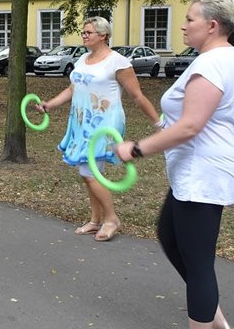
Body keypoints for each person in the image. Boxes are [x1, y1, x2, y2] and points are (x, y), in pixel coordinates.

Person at [113, 0, 234, 329]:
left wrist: (135, 149)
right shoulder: (228, 61)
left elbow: (190, 126)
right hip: (204, 171)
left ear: (213, 25)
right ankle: (210, 313)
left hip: (203, 172)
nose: (184, 25)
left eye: (190, 19)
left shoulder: (211, 66)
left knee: (198, 260)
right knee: (170, 235)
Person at [35, 17, 159, 241]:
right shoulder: (83, 59)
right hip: (82, 121)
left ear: (103, 35)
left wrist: (158, 122)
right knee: (89, 173)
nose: (84, 35)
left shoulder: (118, 62)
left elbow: (137, 96)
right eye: (83, 32)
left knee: (90, 172)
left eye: (89, 32)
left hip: (105, 122)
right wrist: (50, 104)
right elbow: (72, 89)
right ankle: (95, 221)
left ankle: (111, 219)